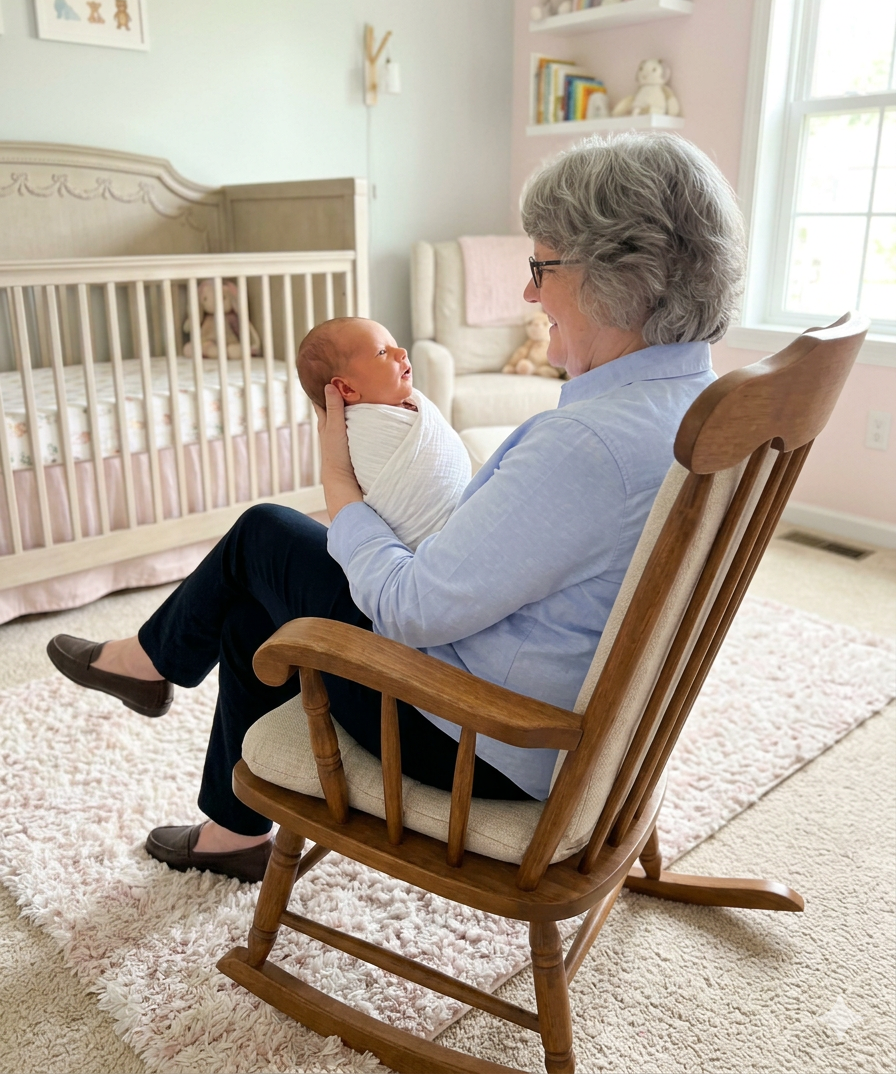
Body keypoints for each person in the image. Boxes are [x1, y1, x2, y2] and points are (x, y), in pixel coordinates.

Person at [46, 132, 745, 883]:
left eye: (541, 266)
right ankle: (231, 827)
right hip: (590, 726)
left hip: (483, 737)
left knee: (263, 537)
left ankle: (148, 664)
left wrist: (341, 489)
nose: (529, 294)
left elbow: (410, 609)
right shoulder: (704, 404)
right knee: (259, 606)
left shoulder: (586, 446)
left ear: (618, 277)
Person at [296, 316, 471, 550]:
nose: (401, 352)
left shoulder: (408, 405)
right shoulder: (364, 430)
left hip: (460, 523)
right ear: (347, 388)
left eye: (395, 344)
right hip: (420, 546)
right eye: (382, 352)